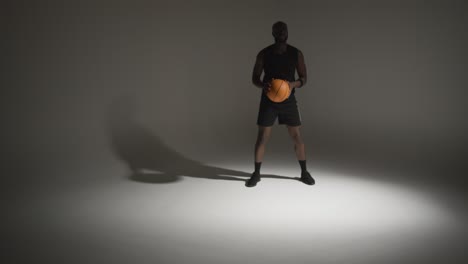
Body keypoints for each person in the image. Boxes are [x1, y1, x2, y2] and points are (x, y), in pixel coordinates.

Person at [246, 21, 315, 187]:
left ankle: (304, 172)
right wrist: (263, 85)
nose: (281, 33)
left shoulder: (296, 53)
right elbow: (254, 77)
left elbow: (304, 78)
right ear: (273, 33)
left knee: (297, 136)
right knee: (262, 137)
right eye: (278, 31)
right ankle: (256, 174)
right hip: (268, 99)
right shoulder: (264, 54)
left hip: (288, 99)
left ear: (287, 33)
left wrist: (292, 85)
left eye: (283, 30)